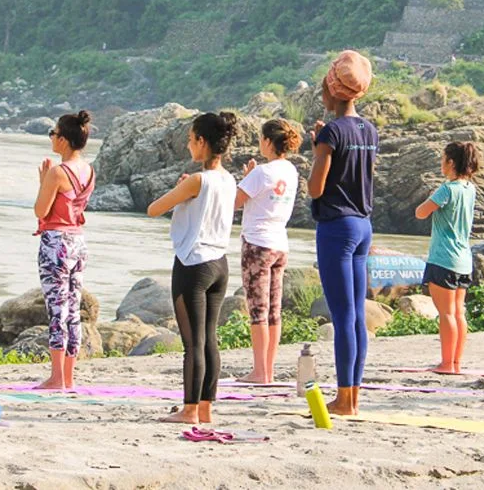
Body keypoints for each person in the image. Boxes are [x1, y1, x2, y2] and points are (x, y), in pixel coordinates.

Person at [147, 112, 238, 424]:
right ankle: (205, 408)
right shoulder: (229, 179)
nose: (188, 145)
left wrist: (181, 190)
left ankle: (189, 410)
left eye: (190, 139)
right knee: (209, 339)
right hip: (220, 264)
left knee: (193, 344)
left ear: (202, 141)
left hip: (193, 264)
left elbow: (153, 209)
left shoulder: (197, 181)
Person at [308, 50, 377, 416]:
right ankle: (353, 396)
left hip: (336, 226)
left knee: (342, 315)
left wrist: (318, 150)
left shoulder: (331, 132)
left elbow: (316, 188)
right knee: (357, 315)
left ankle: (343, 399)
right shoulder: (369, 130)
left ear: (332, 89)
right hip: (363, 225)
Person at [235, 119, 302, 384]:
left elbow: (234, 202)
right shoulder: (291, 170)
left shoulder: (261, 173)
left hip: (257, 244)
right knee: (274, 310)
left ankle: (259, 372)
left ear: (267, 141)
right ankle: (268, 370)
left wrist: (247, 177)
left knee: (257, 310)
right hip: (280, 243)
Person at [33, 111, 96, 390]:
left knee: (57, 309)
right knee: (73, 309)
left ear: (64, 140)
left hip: (55, 243)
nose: (52, 138)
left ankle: (56, 377)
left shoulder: (58, 172)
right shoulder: (89, 171)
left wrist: (43, 182)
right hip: (78, 242)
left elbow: (41, 210)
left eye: (54, 134)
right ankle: (68, 376)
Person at [414, 142, 479, 375]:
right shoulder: (470, 188)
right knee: (459, 312)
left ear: (451, 162)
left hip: (443, 258)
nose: (441, 163)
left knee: (446, 314)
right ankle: (456, 362)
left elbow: (420, 212)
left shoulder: (447, 189)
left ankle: (445, 363)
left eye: (443, 159)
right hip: (464, 259)